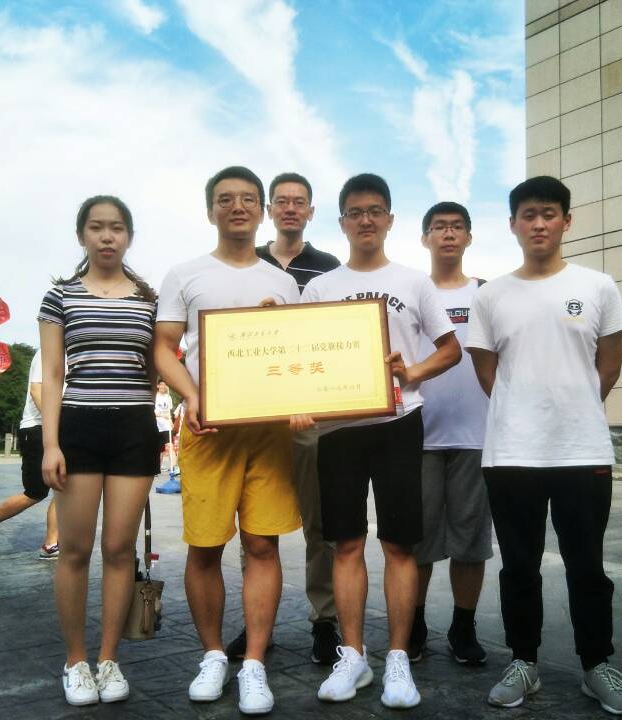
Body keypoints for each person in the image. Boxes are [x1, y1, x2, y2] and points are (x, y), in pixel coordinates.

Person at [467, 176, 622, 715]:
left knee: (588, 565)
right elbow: (488, 373)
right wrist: (524, 411)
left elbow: (609, 366)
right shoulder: (490, 295)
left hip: (581, 451)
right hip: (511, 453)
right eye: (528, 215)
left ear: (566, 220)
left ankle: (597, 665)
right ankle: (524, 662)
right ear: (513, 224)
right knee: (519, 566)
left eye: (548, 213)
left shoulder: (598, 286)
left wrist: (572, 406)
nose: (538, 224)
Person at [301, 173, 461, 709]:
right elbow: (302, 357)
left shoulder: (414, 282)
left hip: (398, 423)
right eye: (355, 212)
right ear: (342, 222)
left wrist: (411, 372)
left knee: (398, 544)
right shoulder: (320, 288)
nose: (365, 220)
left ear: (390, 219)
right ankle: (353, 656)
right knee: (345, 543)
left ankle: (396, 658)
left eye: (375, 210)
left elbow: (450, 350)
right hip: (338, 429)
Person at [154, 166, 302, 715]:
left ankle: (255, 662)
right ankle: (214, 655)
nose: (237, 207)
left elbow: (296, 354)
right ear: (210, 210)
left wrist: (301, 400)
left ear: (261, 209)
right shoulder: (185, 274)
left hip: (269, 433)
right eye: (225, 199)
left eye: (247, 199)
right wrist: (191, 395)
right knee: (205, 546)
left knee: (263, 545)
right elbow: (163, 347)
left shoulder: (283, 283)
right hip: (208, 429)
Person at [39, 195, 161, 707]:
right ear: (82, 235)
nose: (107, 236)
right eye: (96, 227)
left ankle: (109, 659)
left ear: (129, 236)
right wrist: (51, 444)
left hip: (134, 428)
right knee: (75, 550)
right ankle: (76, 660)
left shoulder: (151, 299)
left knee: (118, 549)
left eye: (116, 228)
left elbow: (156, 369)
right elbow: (52, 374)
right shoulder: (60, 296)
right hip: (78, 428)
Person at [226, 172, 343, 664]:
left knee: (321, 523)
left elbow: (335, 339)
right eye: (282, 201)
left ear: (311, 211)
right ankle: (260, 626)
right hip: (256, 415)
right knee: (257, 526)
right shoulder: (246, 262)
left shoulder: (329, 268)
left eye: (300, 202)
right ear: (269, 209)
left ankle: (325, 620)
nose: (290, 208)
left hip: (309, 414)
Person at [407, 201, 492, 665]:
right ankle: (414, 623)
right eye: (438, 227)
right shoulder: (410, 292)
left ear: (469, 237)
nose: (448, 234)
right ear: (425, 237)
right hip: (418, 435)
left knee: (470, 541)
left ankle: (464, 626)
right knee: (417, 542)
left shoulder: (487, 294)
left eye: (457, 227)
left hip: (476, 436)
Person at [0, 349, 59, 559]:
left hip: (63, 429)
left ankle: (51, 544)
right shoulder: (48, 351)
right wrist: (56, 423)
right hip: (37, 428)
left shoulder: (76, 352)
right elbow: (36, 390)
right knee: (35, 492)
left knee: (65, 488)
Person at [154, 381, 174, 471]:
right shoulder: (155, 397)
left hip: (167, 426)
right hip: (157, 425)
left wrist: (171, 421)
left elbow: (169, 412)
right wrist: (162, 416)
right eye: (161, 384)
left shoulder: (168, 397)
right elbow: (153, 412)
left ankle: (174, 467)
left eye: (165, 385)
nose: (163, 386)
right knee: (159, 448)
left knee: (170, 445)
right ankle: (157, 467)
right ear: (158, 386)